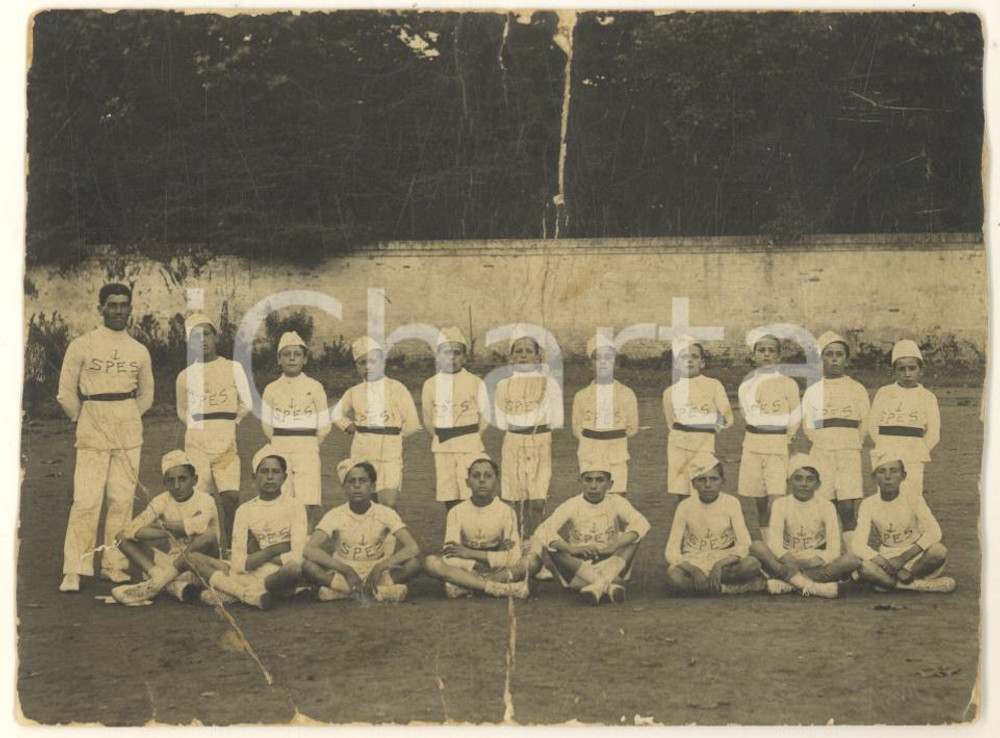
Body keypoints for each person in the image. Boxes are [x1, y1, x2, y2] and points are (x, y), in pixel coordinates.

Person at [56, 282, 154, 593]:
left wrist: (125, 416)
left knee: (121, 500)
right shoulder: (82, 345)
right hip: (92, 427)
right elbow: (65, 393)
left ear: (130, 309)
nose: (117, 310)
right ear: (101, 308)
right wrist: (83, 417)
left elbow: (147, 395)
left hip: (127, 430)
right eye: (111, 305)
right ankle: (75, 568)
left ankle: (114, 565)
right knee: (86, 500)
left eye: (123, 305)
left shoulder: (138, 350)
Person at [186, 445, 309, 609]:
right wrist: (271, 551)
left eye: (275, 472)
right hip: (248, 573)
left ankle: (233, 592)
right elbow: (237, 563)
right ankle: (247, 594)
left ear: (285, 477)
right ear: (254, 477)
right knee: (192, 558)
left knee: (293, 569)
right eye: (264, 472)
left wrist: (256, 554)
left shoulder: (295, 506)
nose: (270, 477)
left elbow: (297, 557)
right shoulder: (245, 510)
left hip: (277, 573)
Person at [176, 312, 253, 547]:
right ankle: (209, 549)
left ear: (215, 336)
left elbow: (247, 402)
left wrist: (232, 422)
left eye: (206, 334)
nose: (202, 340)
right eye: (195, 336)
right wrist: (198, 427)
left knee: (230, 497)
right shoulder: (185, 376)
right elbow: (182, 409)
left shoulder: (233, 368)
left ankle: (232, 549)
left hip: (226, 441)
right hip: (197, 442)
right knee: (201, 500)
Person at [494, 328, 563, 579]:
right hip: (513, 442)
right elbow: (501, 421)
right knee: (518, 504)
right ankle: (519, 558)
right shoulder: (502, 385)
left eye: (528, 351)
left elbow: (555, 419)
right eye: (518, 351)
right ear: (512, 356)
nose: (523, 356)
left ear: (538, 356)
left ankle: (536, 558)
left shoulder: (549, 384)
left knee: (537, 503)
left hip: (541, 443)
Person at [109, 450, 220, 606]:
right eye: (170, 481)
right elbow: (131, 530)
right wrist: (166, 531)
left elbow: (198, 526)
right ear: (165, 483)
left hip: (204, 567)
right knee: (120, 537)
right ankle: (166, 582)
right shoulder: (161, 500)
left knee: (207, 536)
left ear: (194, 480)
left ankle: (158, 583)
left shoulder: (206, 500)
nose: (176, 486)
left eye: (182, 479)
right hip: (174, 565)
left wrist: (163, 525)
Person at [302, 458, 422, 602]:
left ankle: (341, 592)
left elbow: (413, 547)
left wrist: (380, 567)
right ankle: (381, 593)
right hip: (345, 571)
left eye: (363, 481)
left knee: (414, 564)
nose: (357, 486)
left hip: (376, 571)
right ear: (344, 487)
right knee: (308, 566)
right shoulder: (335, 514)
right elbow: (310, 549)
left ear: (372, 487)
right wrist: (347, 570)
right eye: (351, 481)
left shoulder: (385, 513)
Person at [535, 464, 650, 604]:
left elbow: (642, 523)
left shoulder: (617, 502)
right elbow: (542, 530)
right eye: (588, 480)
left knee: (634, 537)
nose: (593, 486)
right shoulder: (571, 504)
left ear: (610, 484)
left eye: (599, 480)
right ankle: (607, 585)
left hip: (611, 563)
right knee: (553, 546)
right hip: (578, 566)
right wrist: (571, 549)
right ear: (580, 482)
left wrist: (613, 547)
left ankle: (596, 587)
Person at [749, 455, 859, 599]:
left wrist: (821, 559)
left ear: (818, 484)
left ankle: (788, 584)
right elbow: (774, 542)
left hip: (815, 561)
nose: (804, 484)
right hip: (787, 559)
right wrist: (788, 559)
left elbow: (834, 548)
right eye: (798, 478)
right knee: (757, 546)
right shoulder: (780, 504)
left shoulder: (827, 506)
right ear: (789, 482)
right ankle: (814, 587)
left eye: (810, 479)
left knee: (852, 560)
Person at [423, 458, 531, 599]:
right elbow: (449, 556)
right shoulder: (456, 512)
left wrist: (469, 553)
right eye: (476, 476)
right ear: (467, 482)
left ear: (497, 482)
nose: (481, 480)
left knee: (532, 559)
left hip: (495, 569)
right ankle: (496, 587)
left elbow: (513, 557)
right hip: (469, 568)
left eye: (488, 476)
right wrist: (475, 564)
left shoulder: (506, 511)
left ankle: (466, 585)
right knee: (430, 562)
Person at [334, 336, 421, 509]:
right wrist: (347, 425)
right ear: (356, 367)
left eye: (372, 361)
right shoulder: (354, 392)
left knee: (388, 503)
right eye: (361, 363)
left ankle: (389, 536)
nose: (367, 367)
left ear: (382, 362)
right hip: (362, 452)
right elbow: (336, 413)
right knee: (365, 501)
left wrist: (393, 436)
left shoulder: (396, 388)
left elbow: (412, 423)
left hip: (390, 455)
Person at [852, 455, 955, 593]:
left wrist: (902, 559)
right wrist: (889, 565)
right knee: (864, 567)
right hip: (888, 558)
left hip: (916, 557)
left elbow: (935, 532)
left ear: (903, 475)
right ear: (874, 477)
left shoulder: (913, 498)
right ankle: (916, 585)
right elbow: (858, 544)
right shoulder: (868, 504)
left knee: (938, 550)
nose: (888, 477)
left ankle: (888, 583)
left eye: (893, 471)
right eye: (881, 472)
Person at [801, 331, 870, 535]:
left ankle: (851, 553)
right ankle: (831, 553)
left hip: (848, 453)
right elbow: (808, 426)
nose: (833, 359)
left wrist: (851, 443)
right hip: (822, 453)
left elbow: (865, 423)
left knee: (847, 508)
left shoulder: (857, 389)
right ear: (821, 359)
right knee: (825, 506)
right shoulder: (813, 390)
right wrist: (824, 442)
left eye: (838, 354)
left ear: (846, 359)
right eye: (828, 354)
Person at [665, 455, 764, 595]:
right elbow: (671, 550)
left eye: (713, 479)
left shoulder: (731, 503)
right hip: (695, 560)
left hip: (724, 561)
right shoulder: (684, 506)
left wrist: (720, 564)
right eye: (701, 480)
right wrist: (693, 570)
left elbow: (744, 544)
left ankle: (712, 588)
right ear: (693, 483)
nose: (707, 485)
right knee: (673, 577)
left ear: (722, 481)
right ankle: (728, 589)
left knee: (752, 564)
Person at [261, 331, 330, 529]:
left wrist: (309, 444)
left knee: (308, 498)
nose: (292, 358)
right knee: (283, 497)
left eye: (297, 354)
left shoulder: (315, 387)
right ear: (279, 359)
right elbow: (267, 424)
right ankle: (285, 539)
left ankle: (306, 542)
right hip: (281, 447)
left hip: (307, 448)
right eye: (287, 354)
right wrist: (280, 443)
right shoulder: (271, 389)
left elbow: (324, 424)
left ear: (305, 359)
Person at [737, 331, 801, 539]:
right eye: (761, 350)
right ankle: (768, 544)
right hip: (753, 445)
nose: (766, 355)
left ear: (779, 356)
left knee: (777, 496)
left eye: (771, 351)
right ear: (754, 355)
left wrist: (787, 438)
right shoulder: (746, 386)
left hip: (777, 445)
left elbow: (795, 415)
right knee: (760, 500)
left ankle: (780, 541)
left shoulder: (788, 384)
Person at [421, 328, 491, 511]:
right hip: (443, 446)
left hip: (470, 444)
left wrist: (472, 435)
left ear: (464, 357)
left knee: (471, 488)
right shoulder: (430, 384)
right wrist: (442, 435)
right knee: (448, 490)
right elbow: (428, 418)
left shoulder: (475, 382)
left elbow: (485, 416)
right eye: (446, 352)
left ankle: (473, 528)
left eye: (457, 353)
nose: (451, 358)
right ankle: (454, 528)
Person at [868, 339, 941, 497]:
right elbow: (872, 425)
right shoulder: (884, 393)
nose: (907, 374)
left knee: (912, 496)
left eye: (912, 368)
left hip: (913, 456)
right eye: (901, 369)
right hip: (886, 453)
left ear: (920, 370)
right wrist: (886, 447)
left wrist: (917, 450)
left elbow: (933, 434)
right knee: (887, 497)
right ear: (894, 371)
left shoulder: (928, 397)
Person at [662, 338, 733, 497]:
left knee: (705, 489)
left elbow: (727, 418)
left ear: (702, 362)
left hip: (703, 444)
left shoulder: (714, 385)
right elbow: (671, 422)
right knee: (682, 490)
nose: (689, 361)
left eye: (694, 357)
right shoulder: (669, 392)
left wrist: (707, 428)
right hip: (678, 445)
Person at [572, 334, 639, 495]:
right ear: (590, 364)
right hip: (589, 453)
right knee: (592, 498)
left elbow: (632, 428)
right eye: (597, 358)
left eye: (608, 357)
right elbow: (577, 429)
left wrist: (611, 436)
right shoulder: (581, 396)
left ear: (615, 363)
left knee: (617, 499)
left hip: (616, 453)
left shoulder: (626, 394)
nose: (603, 362)